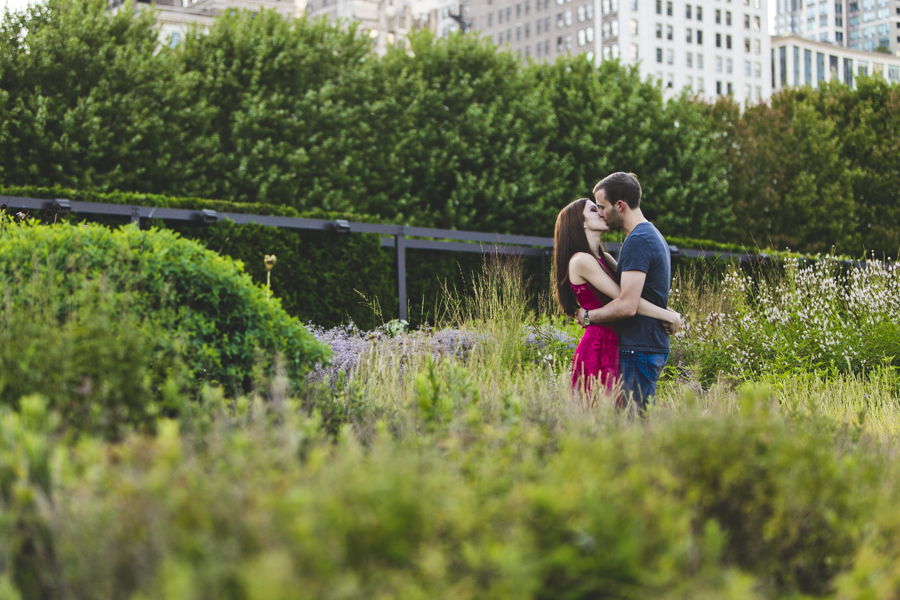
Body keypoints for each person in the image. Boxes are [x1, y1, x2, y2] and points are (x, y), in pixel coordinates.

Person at [554, 197, 681, 399]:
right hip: (598, 344)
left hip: (614, 340)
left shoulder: (604, 258)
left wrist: (669, 313)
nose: (602, 212)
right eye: (594, 210)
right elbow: (625, 300)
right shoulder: (581, 260)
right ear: (582, 222)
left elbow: (632, 297)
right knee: (602, 413)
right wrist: (668, 316)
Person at [576, 172, 676, 412]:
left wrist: (588, 316)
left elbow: (627, 305)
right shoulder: (649, 235)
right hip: (644, 347)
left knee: (632, 429)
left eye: (602, 207)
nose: (600, 213)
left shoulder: (638, 241)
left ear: (620, 206)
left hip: (638, 349)